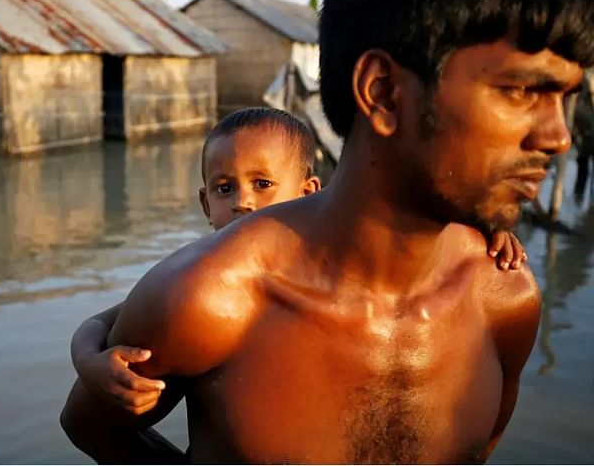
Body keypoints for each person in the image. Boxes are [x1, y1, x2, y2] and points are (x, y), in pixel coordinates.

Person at [61, 0, 594, 462]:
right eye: (522, 91)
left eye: (563, 98)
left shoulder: (506, 300)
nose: (559, 137)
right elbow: (91, 426)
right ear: (383, 92)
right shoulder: (211, 298)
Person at [69, 107, 526, 417]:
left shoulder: (330, 261)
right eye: (225, 190)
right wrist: (87, 360)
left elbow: (401, 230)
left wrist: (485, 225)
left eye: (263, 183)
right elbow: (105, 320)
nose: (244, 201)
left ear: (308, 192)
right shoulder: (203, 281)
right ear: (207, 206)